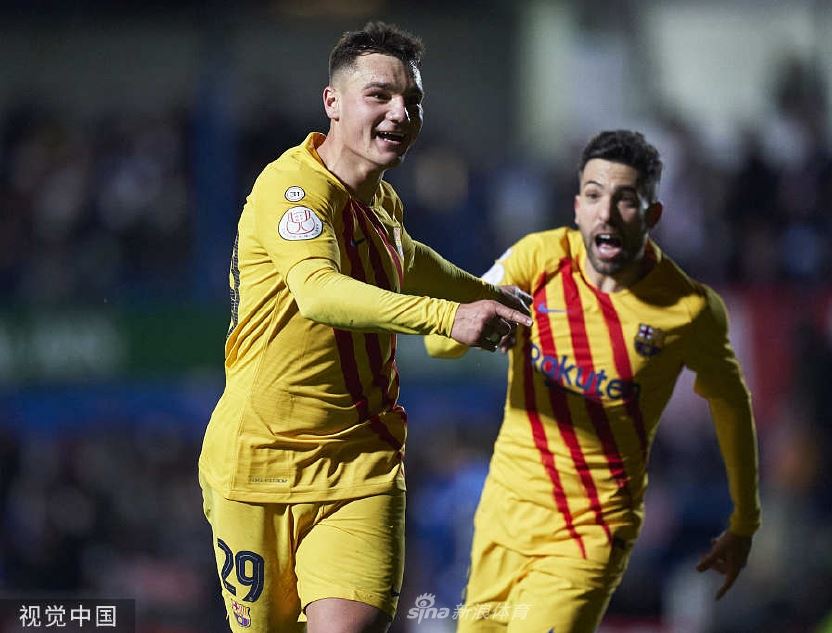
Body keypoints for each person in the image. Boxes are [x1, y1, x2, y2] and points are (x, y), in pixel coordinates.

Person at [198, 22, 531, 633]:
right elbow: (318, 292)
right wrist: (447, 316)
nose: (400, 113)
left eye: (412, 100)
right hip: (256, 466)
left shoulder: (383, 201)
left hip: (362, 464)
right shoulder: (291, 189)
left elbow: (408, 258)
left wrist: (487, 295)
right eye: (379, 95)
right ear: (333, 102)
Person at [425, 130, 761, 632]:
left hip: (590, 530)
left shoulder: (688, 308)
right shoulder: (534, 259)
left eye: (625, 200)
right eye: (594, 195)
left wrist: (744, 520)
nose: (606, 214)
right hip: (507, 515)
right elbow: (441, 342)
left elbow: (732, 408)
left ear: (651, 215)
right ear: (578, 206)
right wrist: (472, 320)